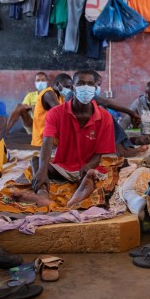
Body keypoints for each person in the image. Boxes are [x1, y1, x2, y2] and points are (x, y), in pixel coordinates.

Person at [29, 70, 116, 206]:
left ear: (95, 88)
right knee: (36, 162)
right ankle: (42, 193)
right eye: (81, 83)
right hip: (62, 165)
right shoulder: (56, 113)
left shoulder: (105, 117)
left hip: (87, 167)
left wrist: (87, 167)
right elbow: (47, 141)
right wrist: (42, 170)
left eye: (90, 84)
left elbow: (98, 155)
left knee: (92, 175)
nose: (86, 88)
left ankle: (81, 191)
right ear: (73, 87)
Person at [31, 73, 72, 147]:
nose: (69, 89)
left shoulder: (60, 95)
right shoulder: (48, 93)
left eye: (70, 87)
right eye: (67, 87)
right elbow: (62, 114)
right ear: (57, 84)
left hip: (53, 137)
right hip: (43, 139)